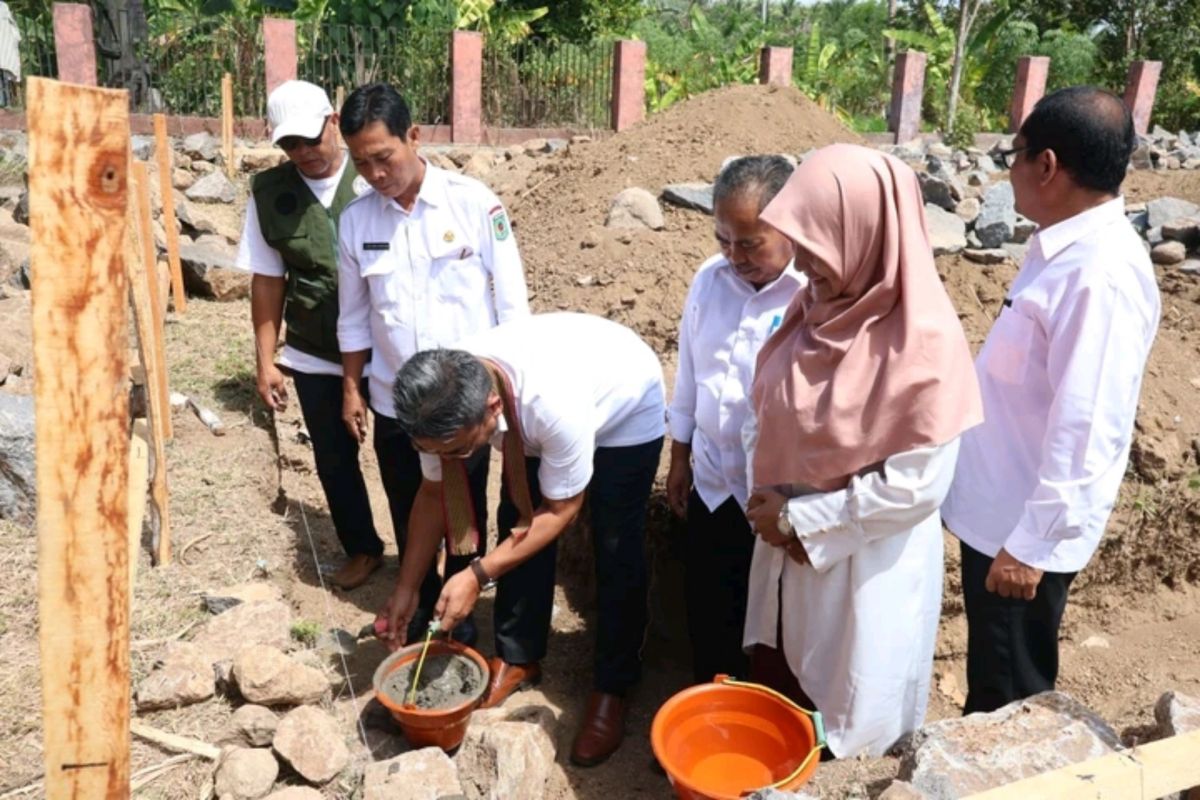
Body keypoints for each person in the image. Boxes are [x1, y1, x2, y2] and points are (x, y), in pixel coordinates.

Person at [743, 144, 983, 758]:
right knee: (784, 702)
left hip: (865, 564)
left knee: (850, 719)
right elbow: (768, 407)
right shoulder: (813, 309)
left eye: (820, 244)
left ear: (867, 234)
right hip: (785, 545)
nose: (804, 265)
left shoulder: (922, 343)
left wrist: (799, 518)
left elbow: (916, 487)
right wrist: (770, 504)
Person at [942, 87, 1160, 714]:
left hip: (1020, 531)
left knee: (1012, 697)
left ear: (1046, 166)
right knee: (994, 673)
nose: (1009, 169)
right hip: (999, 515)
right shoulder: (1061, 247)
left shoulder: (1099, 274)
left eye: (1015, 154)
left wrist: (1030, 548)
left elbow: (1088, 426)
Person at [377, 313, 665, 767]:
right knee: (516, 515)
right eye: (431, 450)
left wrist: (478, 573)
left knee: (614, 544)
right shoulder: (441, 404)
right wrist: (407, 588)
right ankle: (518, 655)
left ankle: (613, 685)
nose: (446, 460)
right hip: (537, 416)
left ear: (491, 408)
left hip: (623, 405)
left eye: (454, 450)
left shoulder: (553, 404)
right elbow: (433, 493)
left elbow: (562, 510)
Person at [336, 83, 530, 642]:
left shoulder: (473, 204)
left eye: (383, 157)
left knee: (467, 512)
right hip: (394, 398)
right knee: (410, 509)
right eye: (361, 162)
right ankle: (420, 612)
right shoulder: (356, 222)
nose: (374, 173)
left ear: (413, 138)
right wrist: (352, 387)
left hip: (466, 403)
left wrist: (503, 396)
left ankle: (468, 614)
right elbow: (353, 317)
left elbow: (512, 302)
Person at [237, 80, 381, 590]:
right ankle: (362, 546)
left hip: (386, 350)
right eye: (289, 145)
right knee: (333, 456)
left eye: (310, 139)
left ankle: (430, 560)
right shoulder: (271, 194)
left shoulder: (374, 177)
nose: (303, 153)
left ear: (334, 121)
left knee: (406, 453)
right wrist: (266, 359)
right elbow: (267, 279)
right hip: (316, 350)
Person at [666, 155, 803, 684]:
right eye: (724, 238)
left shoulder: (812, 293)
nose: (734, 255)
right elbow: (691, 373)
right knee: (709, 603)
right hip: (712, 482)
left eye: (750, 243)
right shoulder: (709, 280)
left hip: (771, 494)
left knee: (769, 617)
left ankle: (761, 722)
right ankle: (710, 712)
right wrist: (679, 455)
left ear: (789, 226)